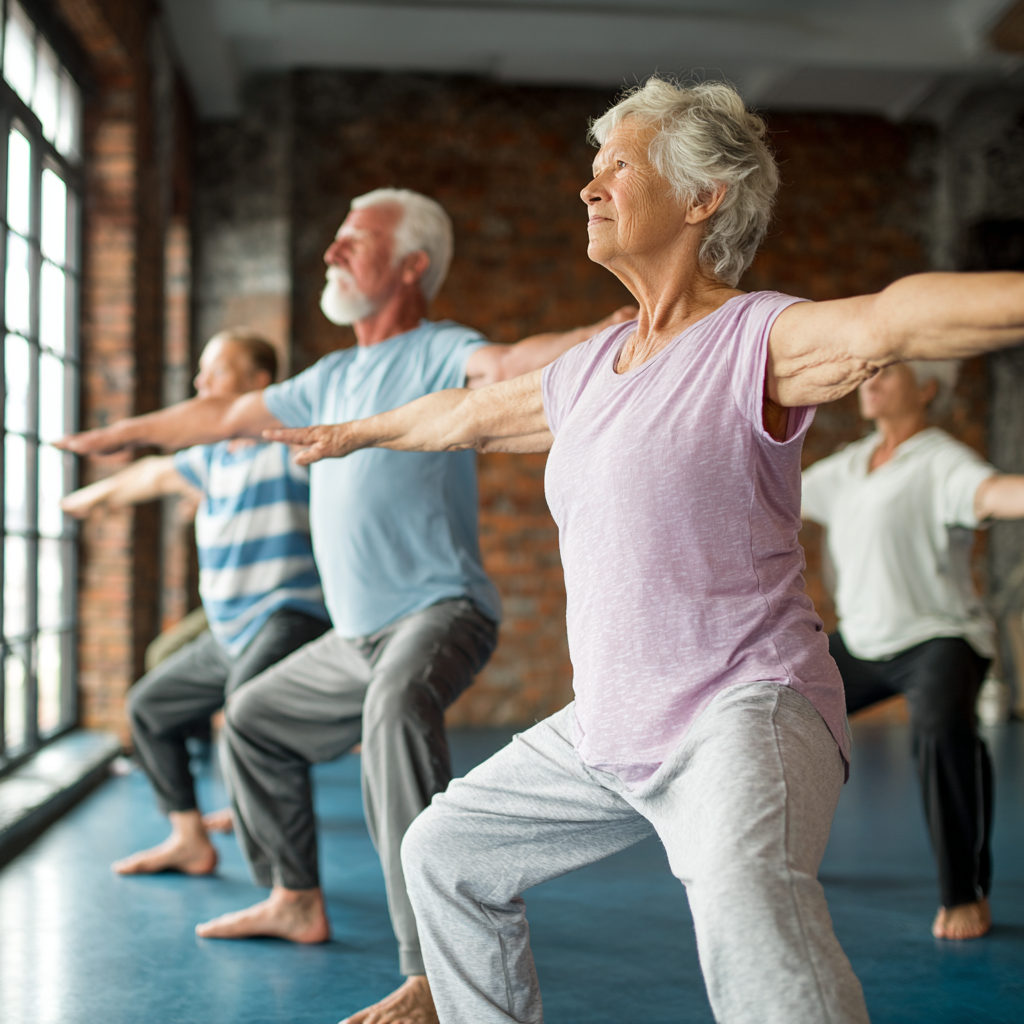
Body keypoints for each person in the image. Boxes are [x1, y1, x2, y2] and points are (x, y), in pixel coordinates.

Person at [271, 78, 1024, 1024]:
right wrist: (354, 432)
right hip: (608, 724)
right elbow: (467, 414)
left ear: (704, 196)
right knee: (445, 851)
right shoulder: (589, 368)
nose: (590, 188)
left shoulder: (758, 338)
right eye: (592, 170)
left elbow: (894, 320)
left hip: (745, 708)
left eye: (618, 166)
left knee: (746, 901)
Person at [58, 187, 634, 1024]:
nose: (332, 253)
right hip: (357, 635)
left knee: (395, 708)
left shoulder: (441, 348)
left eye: (353, 242)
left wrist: (597, 337)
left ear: (411, 266)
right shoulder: (328, 378)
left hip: (439, 611)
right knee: (253, 718)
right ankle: (294, 897)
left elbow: (510, 363)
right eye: (335, 239)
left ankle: (435, 973)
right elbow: (222, 413)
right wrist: (130, 434)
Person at [62, 329, 331, 875]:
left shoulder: (289, 446)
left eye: (217, 370)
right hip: (228, 628)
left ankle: (291, 886)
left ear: (259, 382)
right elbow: (152, 473)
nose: (200, 381)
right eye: (202, 371)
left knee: (248, 712)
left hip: (286, 614)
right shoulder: (210, 460)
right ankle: (189, 839)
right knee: (148, 708)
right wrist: (88, 499)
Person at [802, 360, 1024, 941]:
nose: (871, 381)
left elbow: (994, 492)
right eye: (868, 372)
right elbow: (771, 490)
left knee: (939, 728)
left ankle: (964, 892)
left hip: (939, 637)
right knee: (780, 711)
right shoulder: (849, 465)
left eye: (890, 372)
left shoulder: (940, 461)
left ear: (927, 388)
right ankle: (784, 855)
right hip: (863, 639)